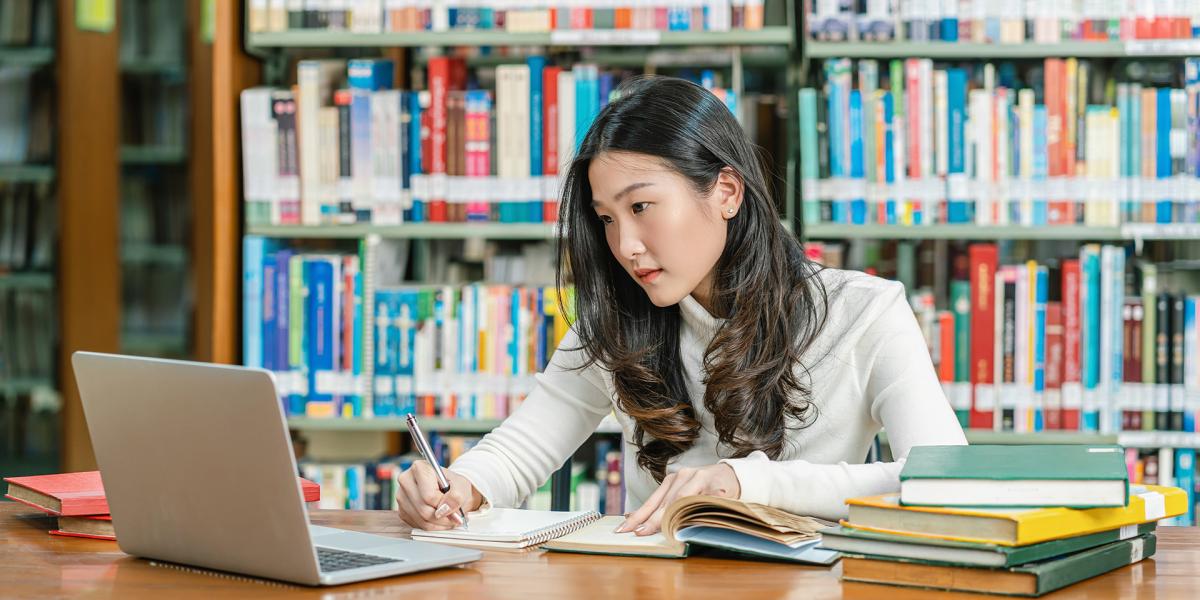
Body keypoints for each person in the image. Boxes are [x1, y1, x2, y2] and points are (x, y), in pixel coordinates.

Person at [394, 75, 966, 536]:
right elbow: (523, 448)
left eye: (642, 206)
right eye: (607, 219)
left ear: (726, 192)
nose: (625, 246)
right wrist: (457, 485)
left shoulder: (865, 312)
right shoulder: (618, 319)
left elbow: (944, 481)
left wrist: (747, 484)